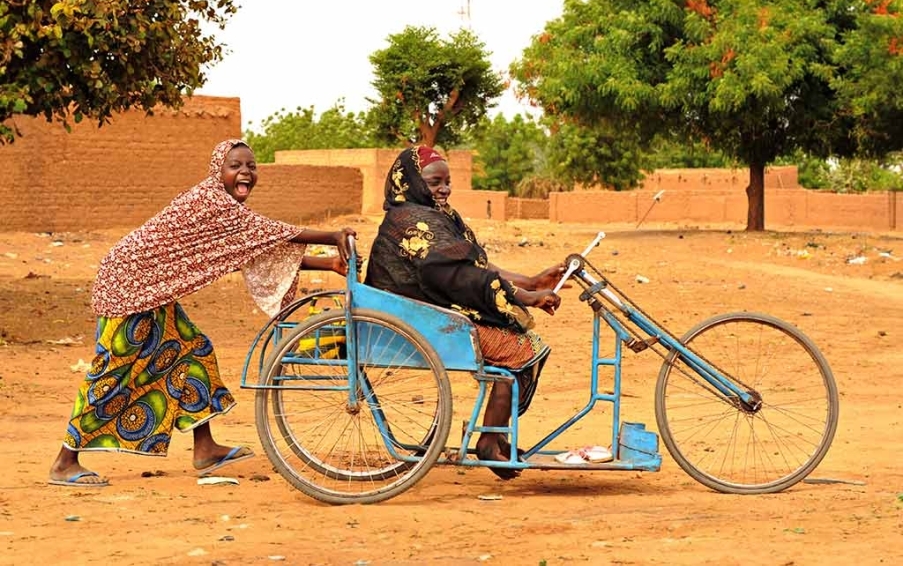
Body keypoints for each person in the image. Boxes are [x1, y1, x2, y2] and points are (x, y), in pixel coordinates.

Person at [48, 139, 356, 487]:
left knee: (194, 350)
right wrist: (332, 235)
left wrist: (329, 262)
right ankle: (64, 461)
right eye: (235, 165)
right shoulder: (212, 200)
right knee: (114, 370)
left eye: (251, 167)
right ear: (217, 171)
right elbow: (268, 234)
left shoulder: (225, 210)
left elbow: (251, 251)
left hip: (152, 288)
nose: (245, 172)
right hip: (129, 285)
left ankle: (205, 448)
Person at [365, 146, 562, 480]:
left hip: (427, 310)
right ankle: (488, 441)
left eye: (447, 181)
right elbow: (458, 277)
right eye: (434, 182)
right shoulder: (412, 222)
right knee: (521, 349)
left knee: (520, 340)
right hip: (415, 320)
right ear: (412, 182)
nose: (444, 189)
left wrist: (529, 280)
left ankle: (495, 434)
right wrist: (524, 295)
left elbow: (472, 265)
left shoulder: (431, 215)